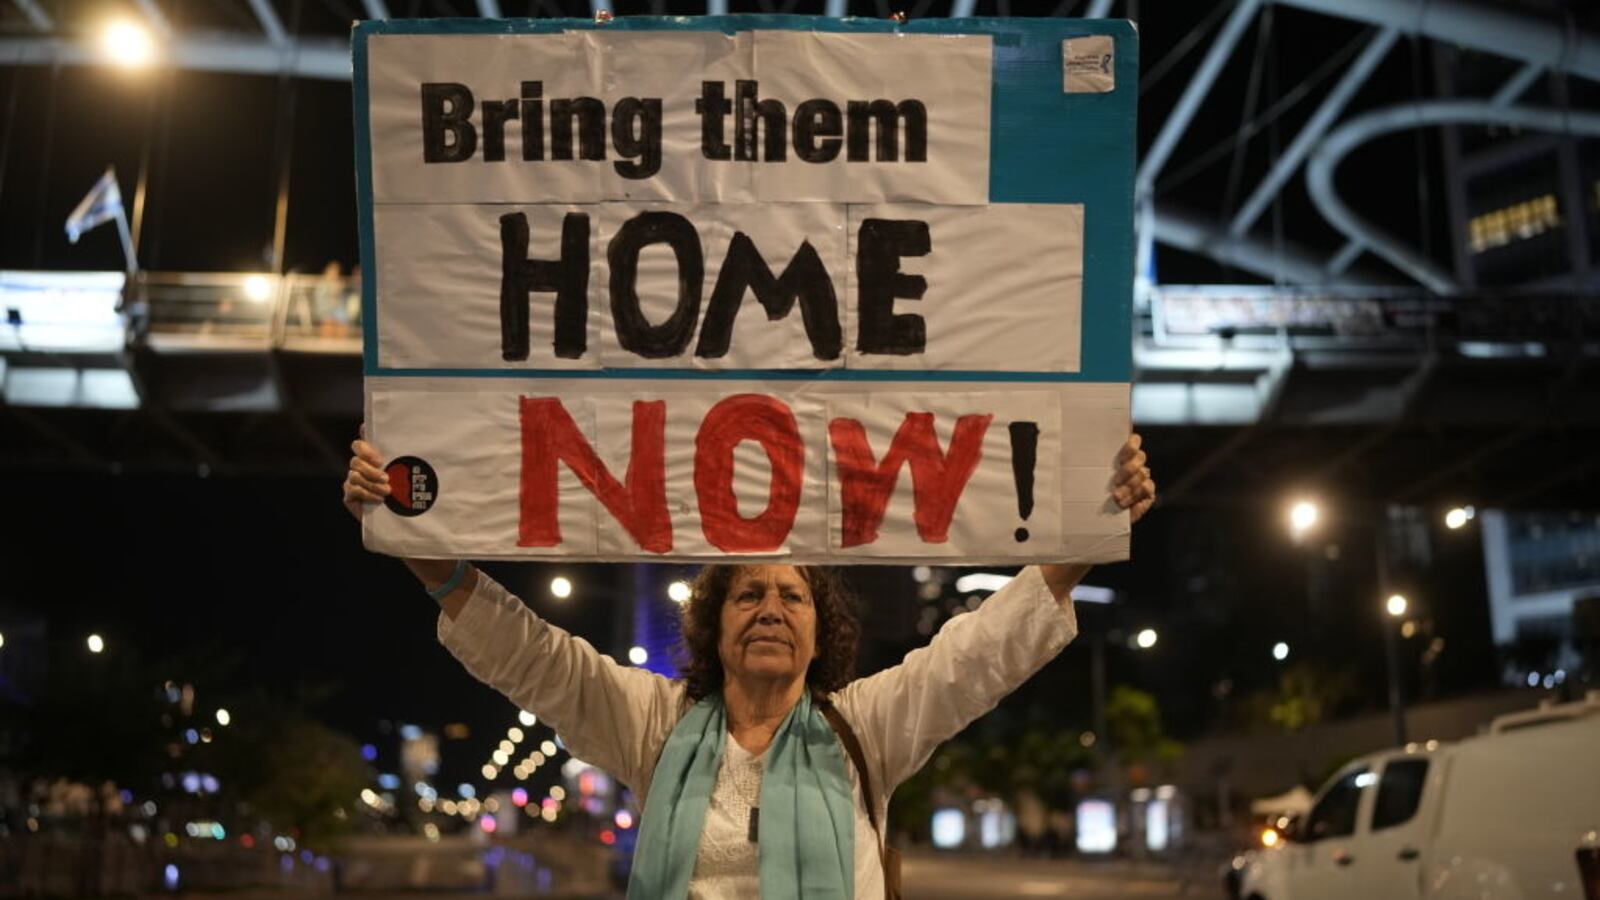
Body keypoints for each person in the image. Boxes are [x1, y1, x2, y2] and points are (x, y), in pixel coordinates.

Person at [343, 432, 1155, 899]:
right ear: (712, 624)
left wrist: (1087, 532)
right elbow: (532, 657)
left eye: (792, 597)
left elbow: (979, 655)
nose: (770, 607)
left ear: (818, 631)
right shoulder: (652, 722)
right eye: (747, 595)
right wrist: (417, 545)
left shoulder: (864, 725)